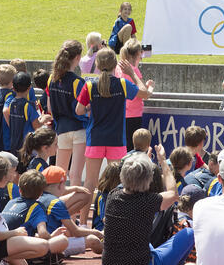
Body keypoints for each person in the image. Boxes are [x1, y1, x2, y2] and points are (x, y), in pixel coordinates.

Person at [78, 48, 150, 196]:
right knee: (117, 183)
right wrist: (132, 73)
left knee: (90, 183)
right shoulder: (122, 84)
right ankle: (112, 217)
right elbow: (145, 93)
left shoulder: (90, 85)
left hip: (95, 138)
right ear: (115, 64)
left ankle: (84, 219)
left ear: (97, 65)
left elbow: (79, 110)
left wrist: (89, 109)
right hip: (116, 139)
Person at [103, 149, 192, 265]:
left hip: (110, 262)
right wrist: (163, 161)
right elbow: (173, 193)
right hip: (143, 262)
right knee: (189, 234)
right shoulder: (148, 201)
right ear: (148, 180)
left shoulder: (112, 195)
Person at [0, 156, 52, 263]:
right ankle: (2, 257)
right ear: (3, 177)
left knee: (22, 262)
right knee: (43, 246)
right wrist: (15, 232)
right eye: (10, 172)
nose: (12, 175)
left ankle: (6, 256)